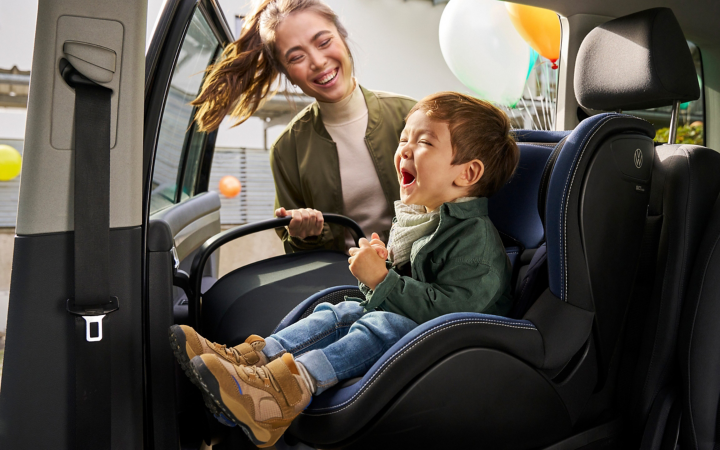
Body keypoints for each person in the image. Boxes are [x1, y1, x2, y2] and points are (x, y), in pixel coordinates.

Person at [170, 92, 520, 447]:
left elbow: (452, 311)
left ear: (468, 173)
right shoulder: (425, 221)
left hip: (461, 345)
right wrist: (383, 270)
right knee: (340, 312)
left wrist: (383, 278)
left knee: (384, 323)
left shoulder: (474, 240)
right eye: (403, 139)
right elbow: (406, 292)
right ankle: (255, 361)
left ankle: (286, 393)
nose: (406, 149)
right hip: (423, 326)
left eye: (424, 141)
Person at [191, 0, 416, 253]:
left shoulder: (411, 115)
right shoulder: (287, 149)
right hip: (341, 286)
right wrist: (305, 235)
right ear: (287, 75)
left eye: (324, 42)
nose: (318, 62)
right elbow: (298, 254)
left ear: (343, 38)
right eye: (297, 57)